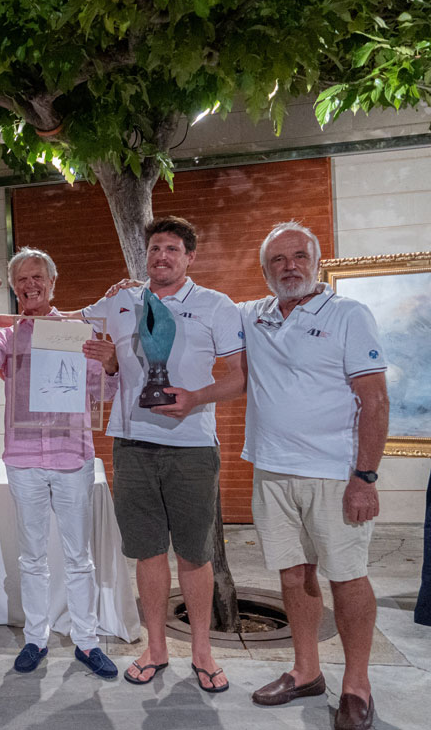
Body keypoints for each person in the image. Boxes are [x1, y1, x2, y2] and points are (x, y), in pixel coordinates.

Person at [80, 217, 244, 692]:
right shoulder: (122, 300)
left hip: (192, 448)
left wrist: (195, 398)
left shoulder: (217, 306)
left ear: (190, 257)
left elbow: (239, 376)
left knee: (194, 553)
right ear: (145, 256)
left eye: (173, 249)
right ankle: (155, 648)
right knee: (147, 553)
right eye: (155, 249)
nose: (162, 257)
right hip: (131, 445)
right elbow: (68, 323)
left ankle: (202, 651)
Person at [240, 223, 389, 730]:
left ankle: (357, 685)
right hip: (272, 471)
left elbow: (375, 400)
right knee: (292, 572)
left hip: (334, 474)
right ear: (264, 271)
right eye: (277, 259)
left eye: (299, 256)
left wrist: (364, 477)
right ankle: (306, 671)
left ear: (318, 261)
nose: (289, 266)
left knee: (347, 576)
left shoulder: (349, 314)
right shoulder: (253, 316)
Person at [0, 249, 120, 679]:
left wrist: (110, 363)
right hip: (23, 458)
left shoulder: (77, 332)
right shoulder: (8, 333)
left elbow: (104, 394)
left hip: (72, 457)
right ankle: (35, 638)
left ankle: (87, 642)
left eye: (37, 277)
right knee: (32, 556)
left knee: (79, 557)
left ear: (53, 283)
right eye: (21, 279)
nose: (29, 285)